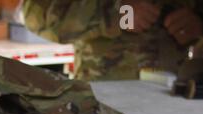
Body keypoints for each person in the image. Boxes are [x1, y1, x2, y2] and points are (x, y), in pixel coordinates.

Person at [23, 0, 203, 81]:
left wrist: (198, 24)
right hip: (106, 100)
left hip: (180, 95)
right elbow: (36, 15)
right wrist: (117, 13)